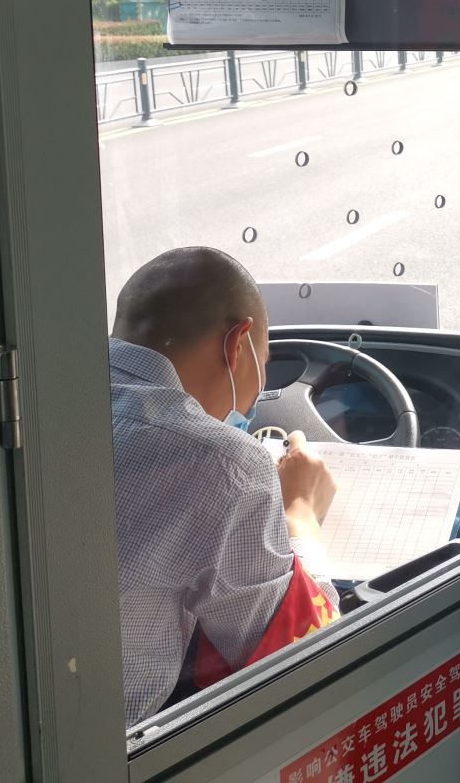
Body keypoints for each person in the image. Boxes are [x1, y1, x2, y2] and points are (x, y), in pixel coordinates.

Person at [111, 246, 340, 725]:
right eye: (263, 362)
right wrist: (300, 512)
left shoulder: (38, 395)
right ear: (238, 344)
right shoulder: (222, 462)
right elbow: (306, 657)